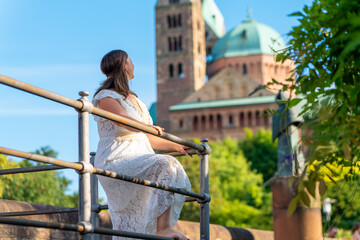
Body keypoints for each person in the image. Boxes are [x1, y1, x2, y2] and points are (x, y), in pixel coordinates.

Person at [92, 50, 191, 240]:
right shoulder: (105, 96)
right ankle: (163, 229)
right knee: (167, 164)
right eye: (130, 60)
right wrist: (146, 126)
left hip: (140, 156)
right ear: (124, 65)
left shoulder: (137, 101)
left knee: (136, 223)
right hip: (117, 159)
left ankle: (158, 231)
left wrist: (176, 146)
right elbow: (121, 121)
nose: (133, 63)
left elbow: (147, 138)